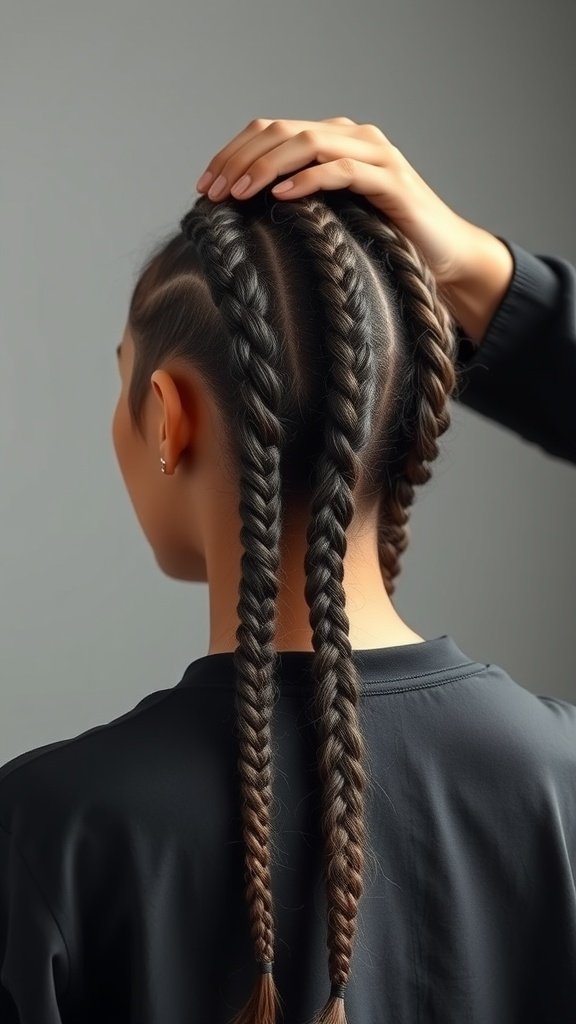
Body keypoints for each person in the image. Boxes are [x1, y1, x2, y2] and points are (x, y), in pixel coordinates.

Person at [0, 116, 574, 1024]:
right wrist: (482, 271)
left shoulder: (46, 834)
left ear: (167, 416)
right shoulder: (564, 780)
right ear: (406, 412)